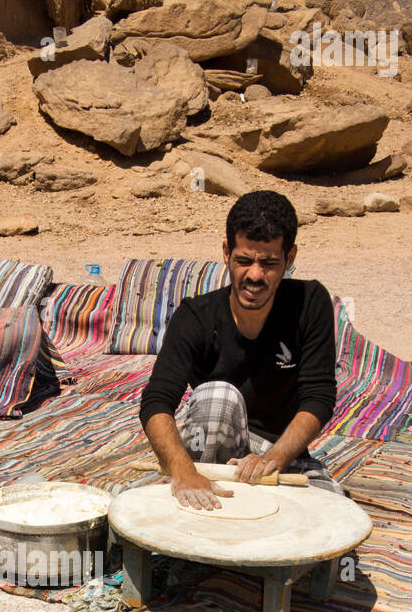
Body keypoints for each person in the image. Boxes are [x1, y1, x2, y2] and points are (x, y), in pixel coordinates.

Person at [139, 190, 341, 510]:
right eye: (244, 261)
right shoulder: (195, 316)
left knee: (332, 517)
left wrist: (271, 459)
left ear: (290, 258)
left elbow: (319, 397)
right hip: (210, 450)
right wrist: (183, 471)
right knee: (217, 397)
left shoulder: (310, 303)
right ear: (226, 253)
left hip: (278, 453)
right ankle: (201, 502)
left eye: (270, 263)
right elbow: (156, 401)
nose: (255, 276)